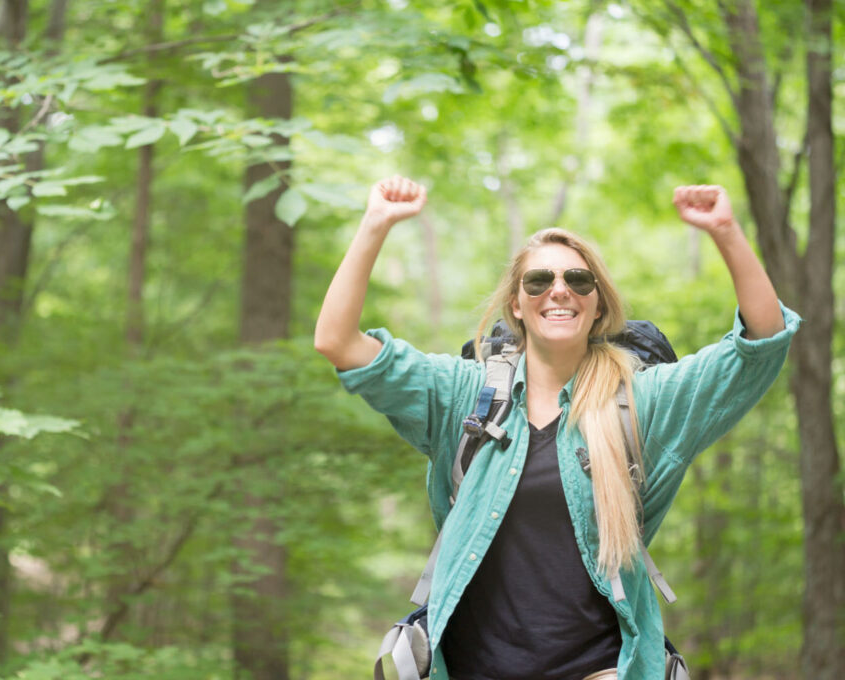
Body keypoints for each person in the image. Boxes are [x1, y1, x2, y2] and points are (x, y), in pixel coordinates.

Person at [314, 176, 800, 680]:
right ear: (517, 306)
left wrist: (725, 230)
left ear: (598, 304)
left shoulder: (643, 402)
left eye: (578, 280)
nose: (559, 290)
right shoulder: (462, 394)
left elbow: (762, 343)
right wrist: (375, 224)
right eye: (539, 281)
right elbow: (338, 342)